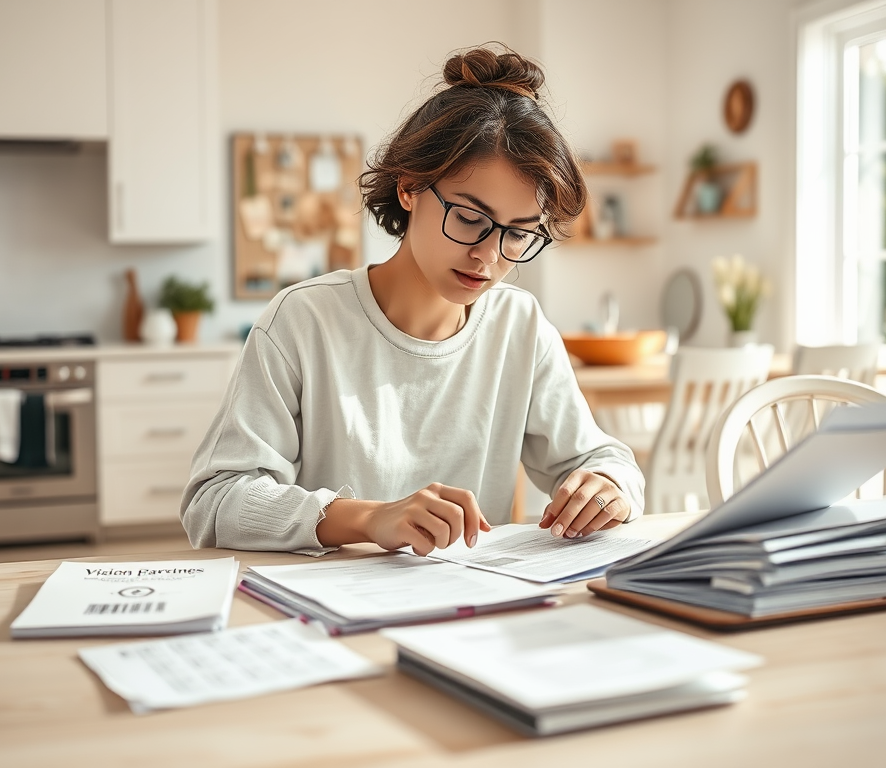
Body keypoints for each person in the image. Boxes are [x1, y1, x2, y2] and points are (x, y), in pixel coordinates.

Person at [181, 43, 644, 557]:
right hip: (332, 613)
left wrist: (607, 486)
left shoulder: (520, 326)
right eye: (469, 218)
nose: (489, 256)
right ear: (409, 187)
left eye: (517, 233)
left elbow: (604, 459)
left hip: (473, 607)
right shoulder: (304, 320)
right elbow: (215, 501)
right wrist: (371, 518)